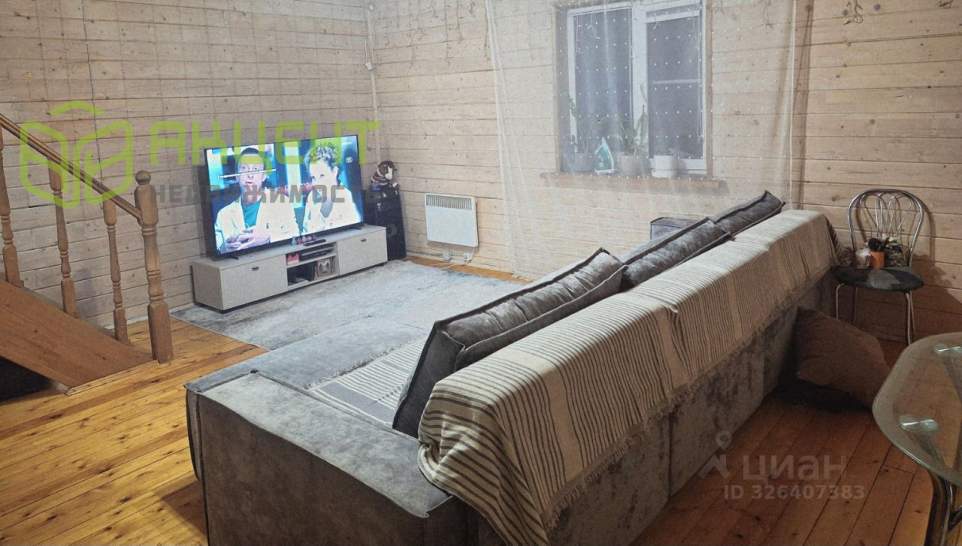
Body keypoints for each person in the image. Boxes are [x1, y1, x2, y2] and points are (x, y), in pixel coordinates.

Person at [214, 147, 297, 253]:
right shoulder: (223, 215)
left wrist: (269, 238)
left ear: (264, 176)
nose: (250, 175)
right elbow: (217, 249)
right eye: (244, 169)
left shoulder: (282, 203)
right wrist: (224, 248)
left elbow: (295, 236)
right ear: (237, 176)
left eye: (256, 169)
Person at [301, 141, 360, 235]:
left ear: (335, 171)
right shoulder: (312, 197)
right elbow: (305, 232)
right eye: (313, 178)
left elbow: (352, 234)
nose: (317, 184)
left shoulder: (347, 197)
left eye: (322, 176)